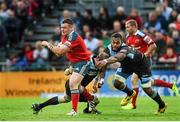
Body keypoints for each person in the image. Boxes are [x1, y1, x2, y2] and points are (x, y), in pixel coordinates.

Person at [96, 33, 167, 114]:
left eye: (117, 43)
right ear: (111, 42)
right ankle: (130, 93)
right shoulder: (108, 49)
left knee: (147, 88)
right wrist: (101, 79)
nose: (115, 45)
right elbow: (103, 65)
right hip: (127, 66)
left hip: (141, 65)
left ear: (121, 42)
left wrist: (105, 61)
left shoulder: (125, 48)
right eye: (113, 42)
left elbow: (119, 57)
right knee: (116, 83)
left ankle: (162, 105)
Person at [123, 19, 179, 109]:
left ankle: (133, 104)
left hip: (145, 62)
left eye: (128, 27)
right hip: (137, 63)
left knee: (135, 80)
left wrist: (145, 54)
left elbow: (153, 45)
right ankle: (171, 86)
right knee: (148, 83)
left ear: (134, 27)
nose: (126, 28)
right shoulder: (127, 37)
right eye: (125, 27)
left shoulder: (141, 35)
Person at [41, 18, 92, 116]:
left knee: (73, 84)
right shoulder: (65, 36)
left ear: (71, 27)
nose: (62, 30)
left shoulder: (73, 36)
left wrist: (48, 44)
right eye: (61, 27)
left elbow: (59, 51)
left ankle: (74, 111)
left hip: (83, 62)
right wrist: (56, 48)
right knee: (76, 87)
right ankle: (91, 100)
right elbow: (59, 54)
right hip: (74, 64)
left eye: (65, 27)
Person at [31, 54, 107, 115]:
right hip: (72, 84)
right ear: (97, 59)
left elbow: (99, 74)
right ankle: (79, 109)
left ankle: (39, 106)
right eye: (101, 64)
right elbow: (69, 70)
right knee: (83, 90)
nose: (102, 66)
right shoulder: (87, 62)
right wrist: (69, 70)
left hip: (79, 89)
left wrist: (95, 84)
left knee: (66, 99)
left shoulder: (99, 66)